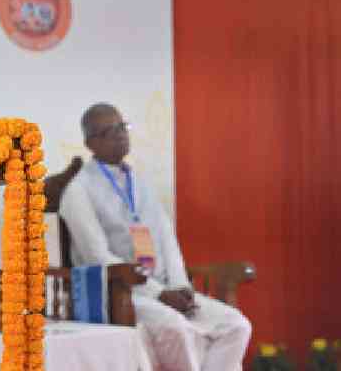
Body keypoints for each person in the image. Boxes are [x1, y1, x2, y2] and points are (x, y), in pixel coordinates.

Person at [59, 103, 251, 371]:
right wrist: (159, 293)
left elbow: (166, 238)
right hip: (120, 292)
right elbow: (97, 256)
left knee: (236, 325)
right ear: (90, 143)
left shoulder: (139, 183)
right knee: (177, 329)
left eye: (122, 127)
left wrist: (180, 285)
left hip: (164, 288)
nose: (120, 134)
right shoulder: (78, 191)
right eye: (109, 131)